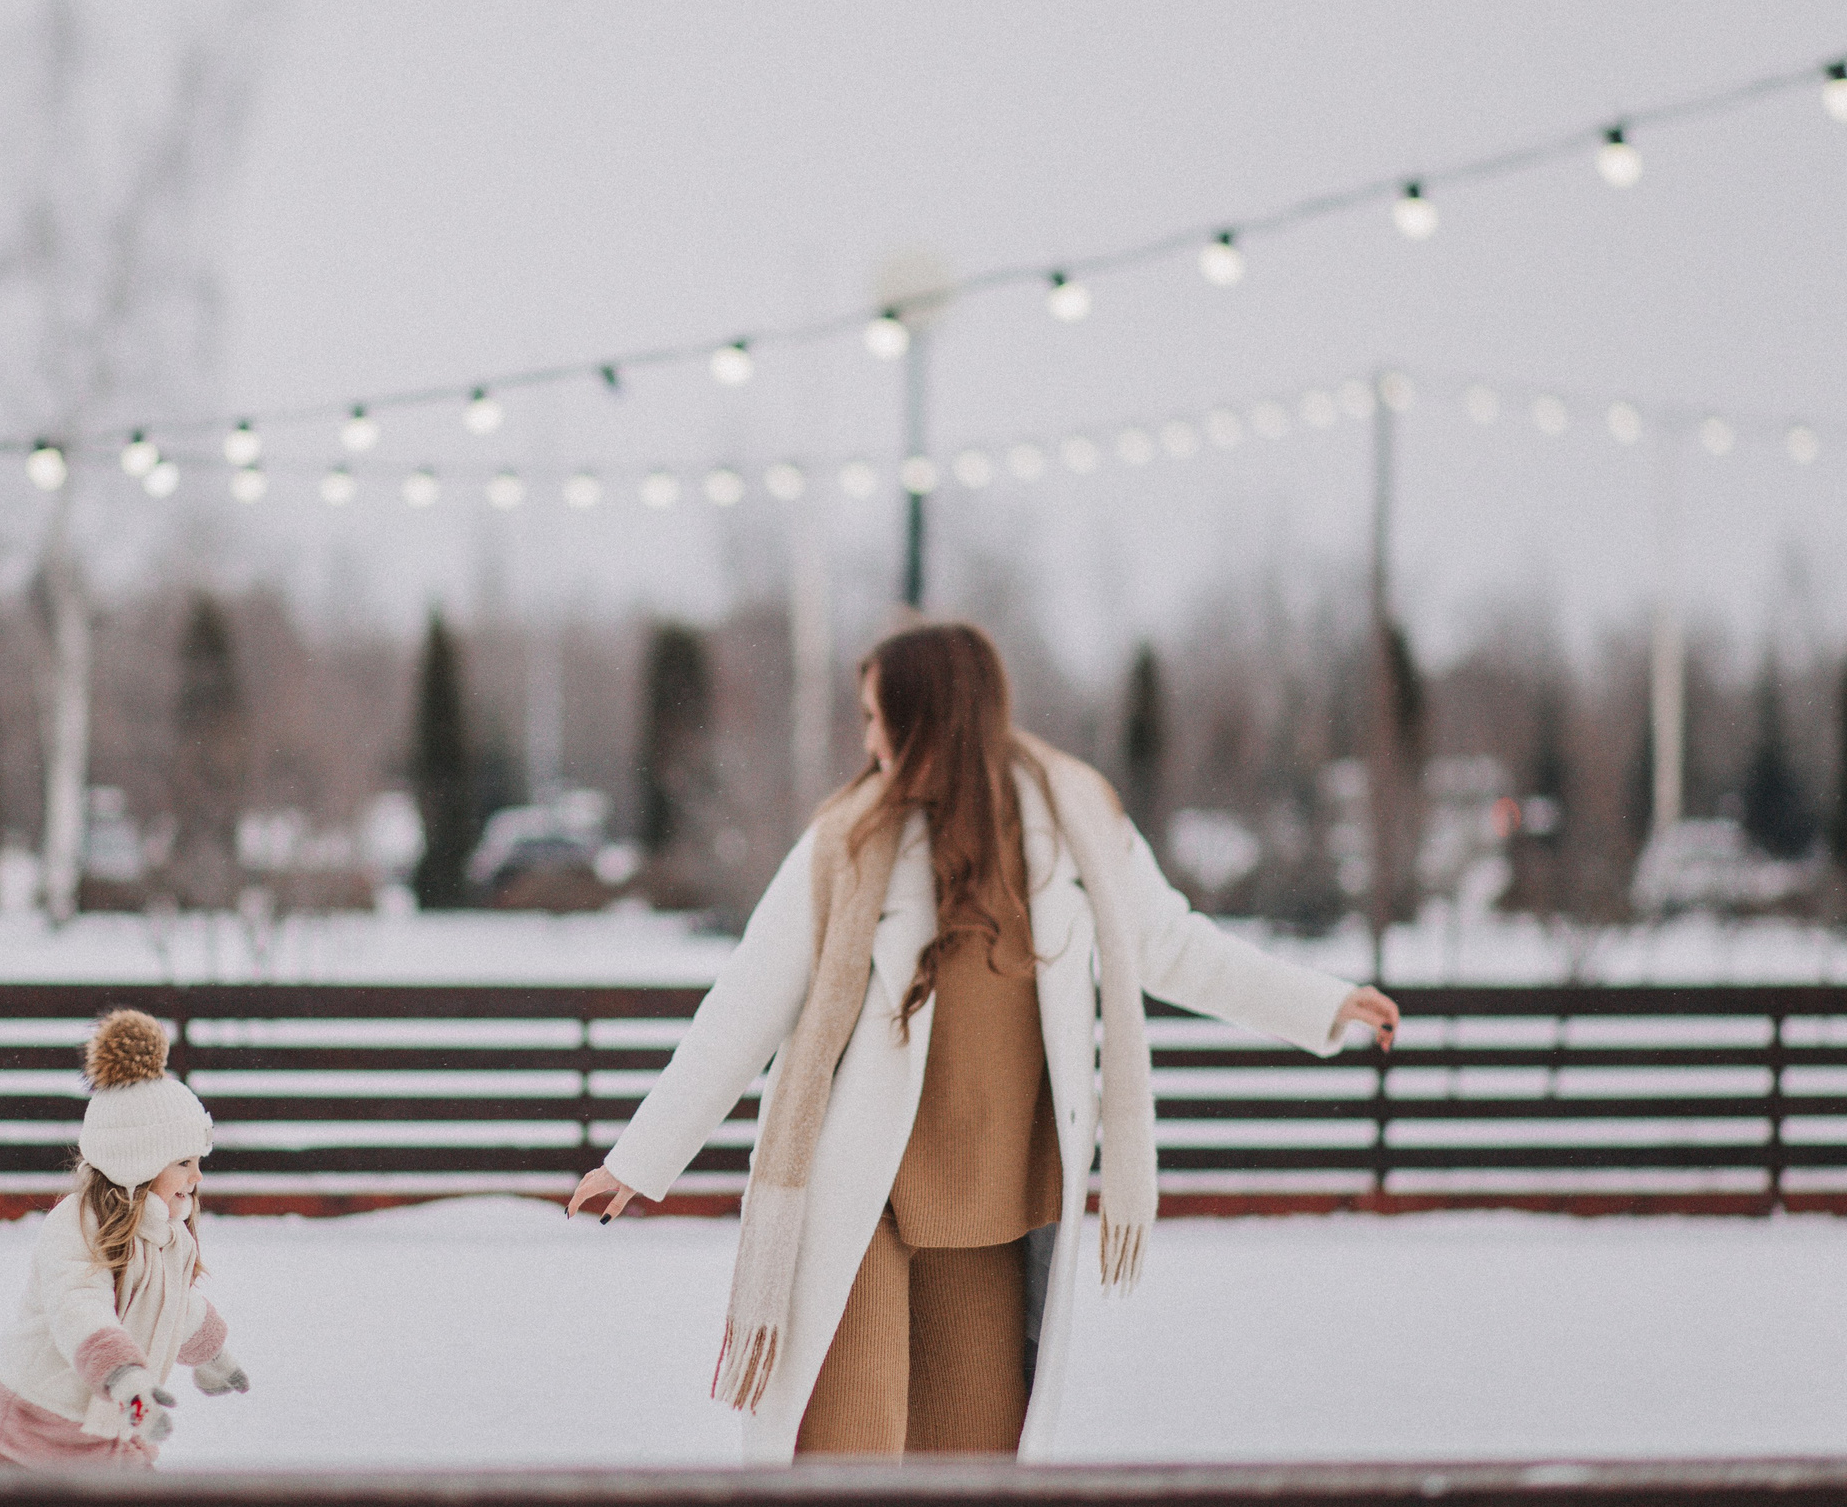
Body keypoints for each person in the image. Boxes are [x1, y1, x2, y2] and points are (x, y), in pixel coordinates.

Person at [567, 622, 1397, 1464]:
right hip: (867, 1203)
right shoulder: (846, 843)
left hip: (996, 1206)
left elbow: (1172, 944)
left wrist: (1322, 1006)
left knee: (968, 1480)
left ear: (932, 717)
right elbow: (746, 1002)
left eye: (877, 716)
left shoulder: (1075, 827)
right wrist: (640, 1159)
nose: (868, 741)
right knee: (848, 1467)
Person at [0, 1008, 251, 1468]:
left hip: (109, 1421)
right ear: (137, 1163)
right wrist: (127, 1381)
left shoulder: (167, 1235)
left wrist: (211, 1353)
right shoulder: (78, 1226)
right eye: (182, 1162)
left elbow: (173, 1305)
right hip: (39, 1426)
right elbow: (80, 1307)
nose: (197, 1175)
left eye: (198, 1160)